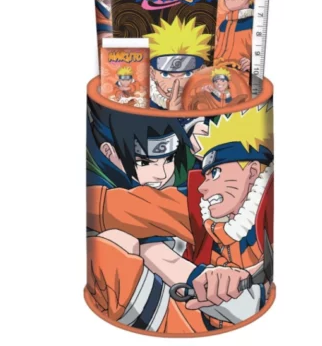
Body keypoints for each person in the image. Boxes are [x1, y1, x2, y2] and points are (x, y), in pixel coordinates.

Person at [85, 105, 274, 333]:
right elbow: (119, 208)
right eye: (206, 174)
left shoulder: (267, 208)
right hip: (188, 312)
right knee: (115, 243)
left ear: (252, 172)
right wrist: (196, 276)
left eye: (215, 173)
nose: (203, 187)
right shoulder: (199, 204)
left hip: (233, 324)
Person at [144, 16, 211, 110]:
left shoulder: (208, 99)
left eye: (187, 73)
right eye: (165, 74)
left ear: (201, 72)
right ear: (152, 73)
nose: (176, 82)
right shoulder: (141, 100)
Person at [214, 0, 255, 73]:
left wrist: (253, 64)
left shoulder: (253, 23)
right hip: (217, 74)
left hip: (242, 75)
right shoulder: (223, 25)